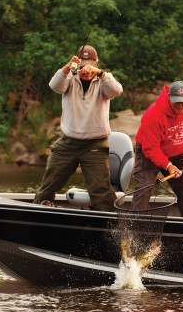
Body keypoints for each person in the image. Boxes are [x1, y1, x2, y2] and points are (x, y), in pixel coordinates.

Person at [33, 45, 124, 212]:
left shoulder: (104, 80)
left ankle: (110, 227)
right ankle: (39, 209)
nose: (86, 70)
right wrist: (69, 67)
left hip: (96, 144)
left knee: (101, 191)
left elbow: (117, 90)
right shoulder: (69, 78)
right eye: (82, 66)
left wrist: (100, 74)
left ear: (96, 63)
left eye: (90, 66)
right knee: (49, 183)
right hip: (69, 142)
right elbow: (54, 85)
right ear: (77, 65)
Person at [132, 81, 183, 217]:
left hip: (177, 153)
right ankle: (135, 232)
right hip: (148, 153)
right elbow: (151, 148)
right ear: (168, 98)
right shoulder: (154, 113)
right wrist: (168, 166)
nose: (180, 106)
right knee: (144, 188)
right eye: (176, 101)